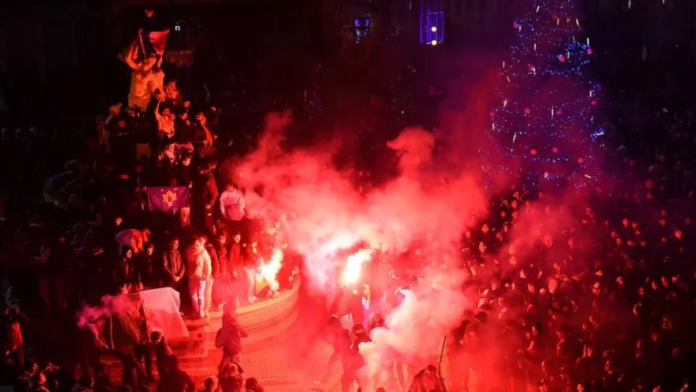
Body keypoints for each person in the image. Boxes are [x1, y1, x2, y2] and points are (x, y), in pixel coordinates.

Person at [186, 235, 212, 319]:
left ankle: (201, 312)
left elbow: (207, 263)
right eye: (194, 245)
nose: (196, 246)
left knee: (200, 295)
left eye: (198, 245)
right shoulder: (188, 251)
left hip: (201, 277)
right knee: (193, 295)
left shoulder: (203, 252)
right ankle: (195, 311)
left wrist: (207, 274)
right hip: (191, 276)